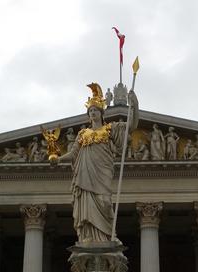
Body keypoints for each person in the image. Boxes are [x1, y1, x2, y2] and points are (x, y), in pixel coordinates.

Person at [53, 82, 138, 243]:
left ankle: (106, 237)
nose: (92, 113)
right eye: (90, 111)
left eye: (95, 110)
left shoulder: (110, 129)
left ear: (101, 113)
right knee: (87, 204)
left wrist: (134, 105)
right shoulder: (83, 133)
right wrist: (58, 159)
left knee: (104, 201)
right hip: (85, 173)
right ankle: (88, 236)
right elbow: (73, 153)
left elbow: (132, 126)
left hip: (102, 171)